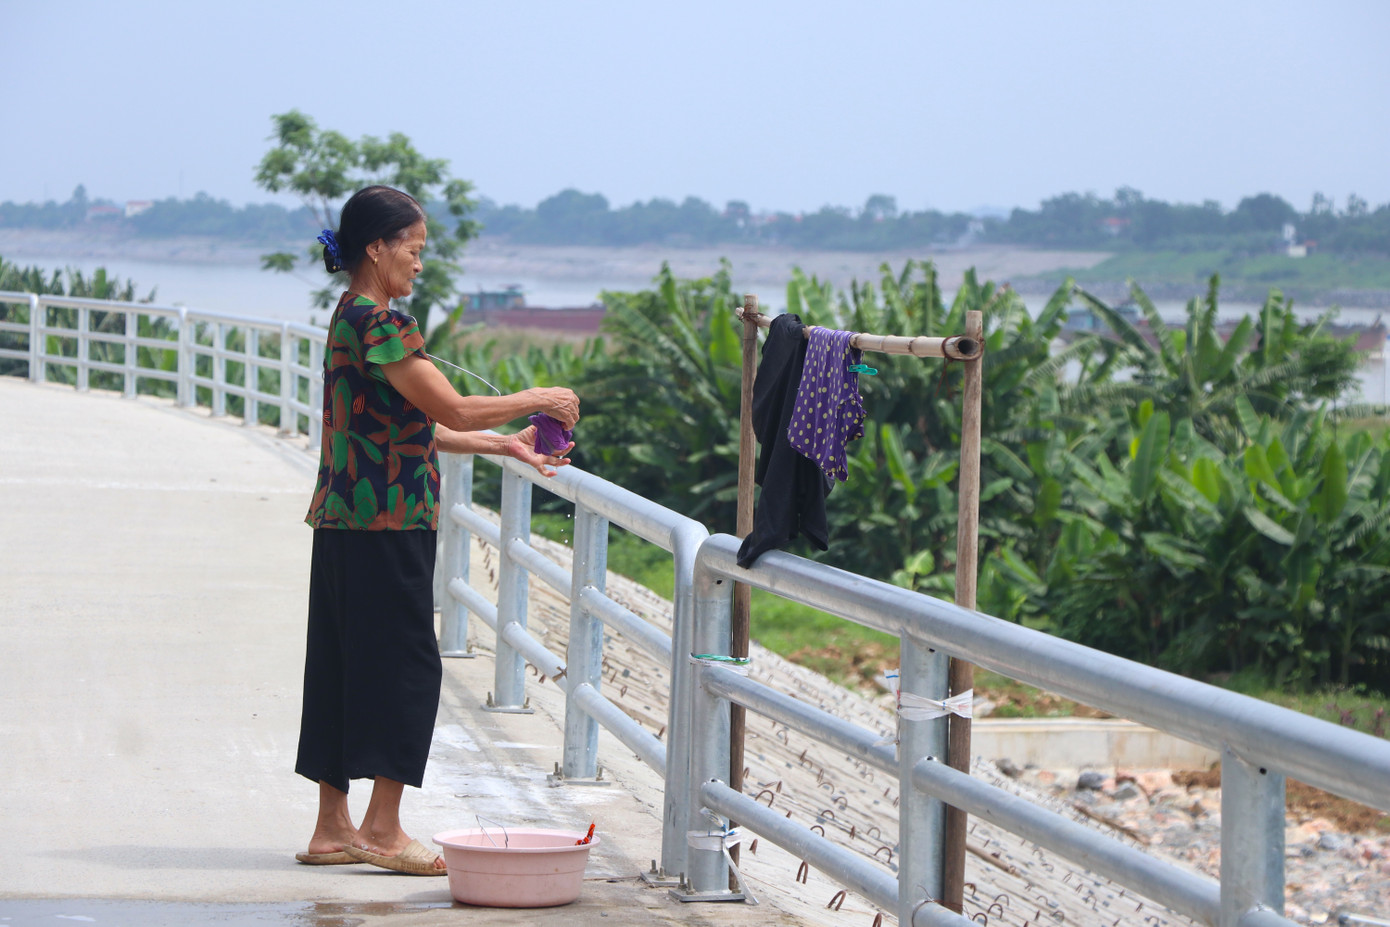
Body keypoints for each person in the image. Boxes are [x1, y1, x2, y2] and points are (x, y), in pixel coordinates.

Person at [294, 185, 580, 875]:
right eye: (414, 250)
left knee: (340, 664)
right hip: (387, 520)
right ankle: (382, 829)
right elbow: (450, 403)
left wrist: (505, 444)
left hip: (343, 517)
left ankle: (332, 827)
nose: (420, 263)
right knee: (410, 669)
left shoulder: (348, 316)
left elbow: (414, 422)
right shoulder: (382, 322)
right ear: (377, 248)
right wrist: (542, 397)